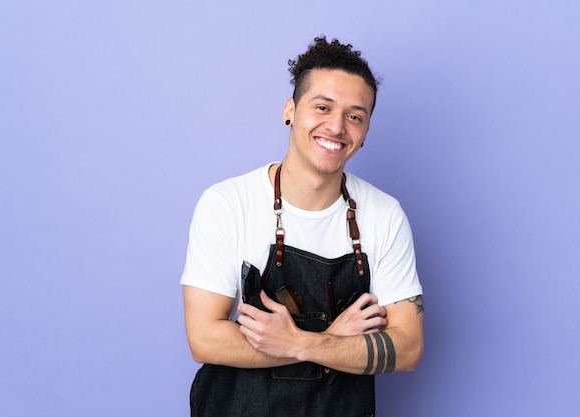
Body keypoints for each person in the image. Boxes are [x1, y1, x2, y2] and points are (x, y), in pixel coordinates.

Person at [181, 36, 424, 417]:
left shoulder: (383, 214)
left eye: (355, 116)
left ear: (366, 132)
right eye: (322, 107)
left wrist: (299, 343)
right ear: (289, 111)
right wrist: (329, 340)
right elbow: (205, 339)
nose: (337, 126)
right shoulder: (227, 203)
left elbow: (408, 349)